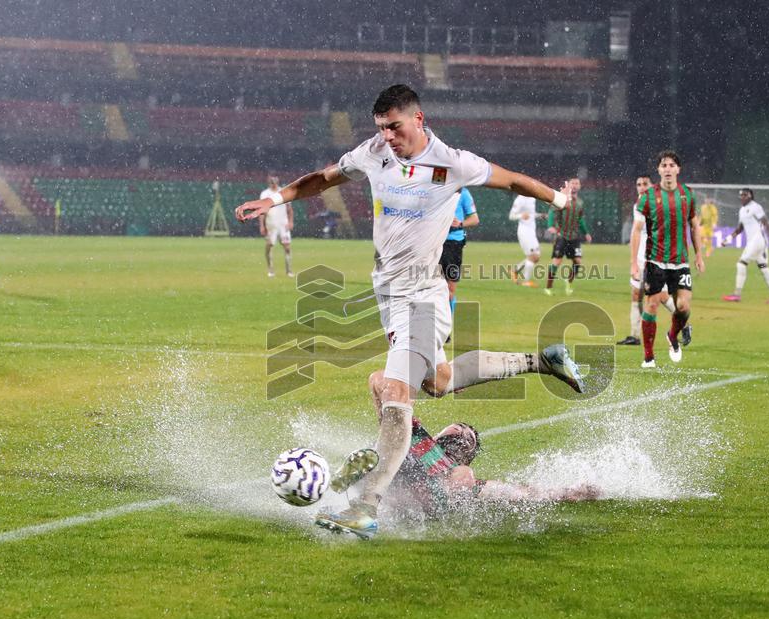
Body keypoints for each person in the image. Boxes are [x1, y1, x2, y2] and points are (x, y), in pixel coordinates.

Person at [235, 84, 581, 538]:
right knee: (435, 381)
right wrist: (275, 199)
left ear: (419, 120)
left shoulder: (453, 162)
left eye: (394, 127)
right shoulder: (373, 152)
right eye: (381, 128)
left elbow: (512, 179)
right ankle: (542, 361)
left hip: (423, 296)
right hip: (388, 294)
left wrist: (559, 200)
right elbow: (324, 177)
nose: (388, 137)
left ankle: (365, 505)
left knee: (395, 391)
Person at [318, 371, 598, 537]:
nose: (461, 435)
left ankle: (358, 482)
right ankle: (358, 484)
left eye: (466, 437)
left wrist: (568, 493)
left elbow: (518, 492)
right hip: (409, 482)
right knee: (396, 452)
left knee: (454, 477)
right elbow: (379, 380)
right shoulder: (418, 438)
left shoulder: (454, 467)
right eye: (460, 431)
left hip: (424, 491)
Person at [632, 151, 705, 368]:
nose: (668, 168)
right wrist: (633, 263)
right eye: (664, 165)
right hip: (655, 260)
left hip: (681, 261)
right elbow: (636, 231)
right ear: (658, 170)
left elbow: (694, 226)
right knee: (652, 304)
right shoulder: (648, 197)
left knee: (683, 307)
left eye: (672, 165)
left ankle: (673, 336)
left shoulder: (688, 195)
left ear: (678, 169)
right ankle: (648, 357)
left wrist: (699, 254)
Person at [617, 174, 681, 347]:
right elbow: (636, 232)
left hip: (654, 255)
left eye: (645, 183)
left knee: (659, 295)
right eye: (638, 184)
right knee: (636, 294)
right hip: (640, 255)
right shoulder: (638, 203)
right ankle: (634, 335)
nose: (641, 186)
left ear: (652, 184)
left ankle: (683, 322)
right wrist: (633, 261)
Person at [722, 188, 769, 304]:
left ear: (750, 196)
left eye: (745, 195)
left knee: (741, 263)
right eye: (741, 195)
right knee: (764, 267)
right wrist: (728, 239)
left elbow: (766, 222)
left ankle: (737, 294)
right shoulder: (742, 210)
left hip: (758, 240)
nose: (742, 197)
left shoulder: (756, 207)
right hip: (753, 242)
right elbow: (740, 229)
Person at [543, 177, 590, 296]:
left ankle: (569, 282)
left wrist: (586, 233)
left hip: (575, 237)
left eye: (577, 183)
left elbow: (580, 220)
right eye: (572, 183)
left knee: (578, 262)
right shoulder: (562, 199)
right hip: (562, 235)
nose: (575, 185)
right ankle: (548, 288)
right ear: (568, 185)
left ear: (579, 186)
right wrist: (550, 226)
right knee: (556, 262)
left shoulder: (580, 202)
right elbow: (552, 211)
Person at [440, 187, 479, 313]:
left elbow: (475, 219)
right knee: (430, 287)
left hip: (453, 244)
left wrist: (460, 224)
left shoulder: (463, 193)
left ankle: (447, 326)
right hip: (433, 241)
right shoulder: (435, 189)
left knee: (449, 289)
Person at [259, 175, 294, 277]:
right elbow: (262, 211)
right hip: (271, 225)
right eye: (271, 181)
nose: (273, 182)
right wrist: (262, 225)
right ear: (268, 181)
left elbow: (289, 209)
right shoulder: (265, 194)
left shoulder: (283, 191)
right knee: (269, 245)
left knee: (287, 247)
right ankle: (270, 269)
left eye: (274, 180)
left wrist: (290, 221)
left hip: (283, 224)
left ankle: (289, 270)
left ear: (278, 181)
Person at [509, 193, 539, 287]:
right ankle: (526, 281)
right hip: (524, 231)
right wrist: (520, 216)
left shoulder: (532, 197)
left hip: (531, 231)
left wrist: (540, 215)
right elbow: (511, 216)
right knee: (533, 256)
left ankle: (514, 271)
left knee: (536, 257)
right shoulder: (520, 199)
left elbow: (531, 214)